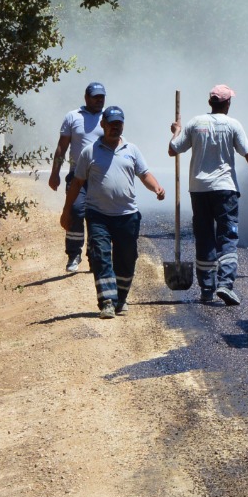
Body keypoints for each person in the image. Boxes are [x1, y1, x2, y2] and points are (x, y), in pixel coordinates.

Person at [168, 84, 248, 306]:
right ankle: (225, 283)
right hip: (225, 190)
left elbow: (172, 149)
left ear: (210, 103)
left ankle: (206, 289)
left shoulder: (195, 123)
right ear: (227, 104)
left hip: (199, 189)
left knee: (204, 237)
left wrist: (176, 130)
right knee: (227, 236)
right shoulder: (233, 125)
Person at [62, 105, 165, 319]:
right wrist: (67, 211)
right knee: (100, 257)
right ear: (103, 125)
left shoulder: (132, 150)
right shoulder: (89, 151)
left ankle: (121, 297)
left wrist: (156, 187)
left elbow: (144, 173)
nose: (115, 128)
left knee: (126, 259)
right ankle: (107, 301)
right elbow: (77, 183)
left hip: (127, 215)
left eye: (119, 124)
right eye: (111, 124)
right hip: (98, 215)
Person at [49, 81, 108, 272]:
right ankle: (74, 254)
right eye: (95, 97)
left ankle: (94, 255)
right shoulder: (73, 117)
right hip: (77, 175)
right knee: (75, 211)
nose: (99, 100)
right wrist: (55, 173)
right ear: (86, 98)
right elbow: (62, 146)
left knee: (97, 216)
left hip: (101, 176)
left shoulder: (108, 116)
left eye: (102, 97)